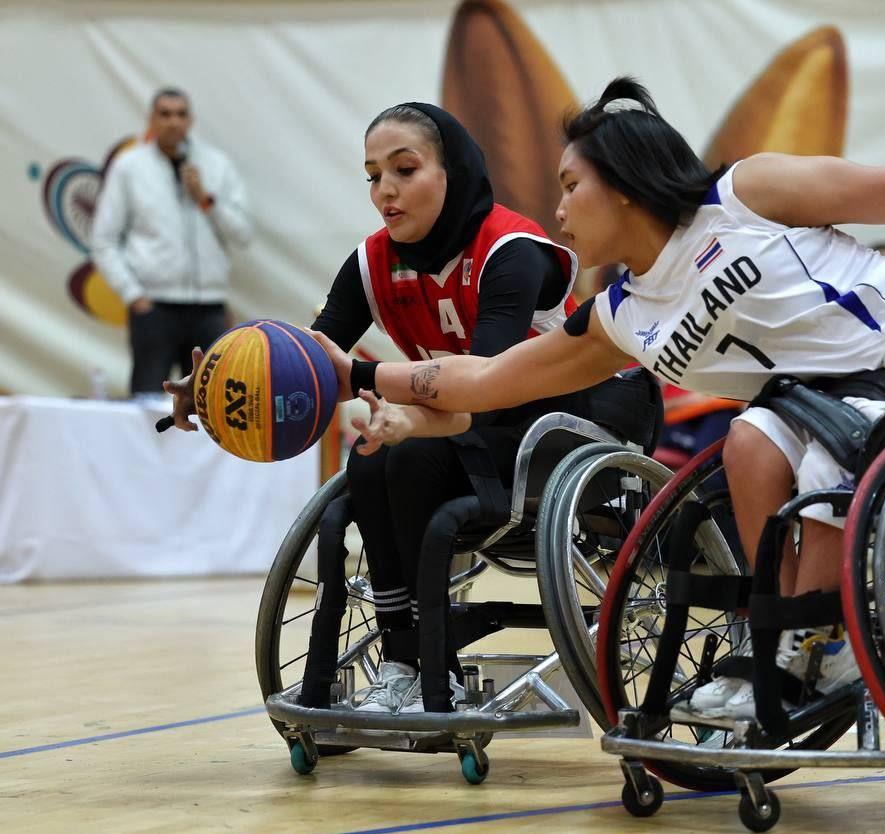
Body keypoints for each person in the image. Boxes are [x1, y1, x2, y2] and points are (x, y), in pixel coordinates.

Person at [306, 77, 885, 721]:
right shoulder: (622, 314)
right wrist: (359, 377)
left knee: (823, 450)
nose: (557, 209)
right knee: (749, 440)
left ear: (624, 185)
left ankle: (821, 639)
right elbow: (486, 380)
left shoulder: (744, 194)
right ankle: (784, 635)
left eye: (570, 186)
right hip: (821, 398)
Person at [164, 102, 613, 714]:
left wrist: (410, 419)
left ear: (452, 171)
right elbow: (313, 362)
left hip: (551, 429)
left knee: (407, 457)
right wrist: (218, 386)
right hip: (457, 429)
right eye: (373, 176)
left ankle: (431, 666)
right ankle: (402, 661)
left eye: (405, 169)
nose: (385, 191)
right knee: (373, 457)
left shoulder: (512, 250)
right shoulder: (372, 262)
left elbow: (490, 386)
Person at [91, 88, 251, 395]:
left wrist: (205, 199)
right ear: (151, 119)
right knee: (148, 401)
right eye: (165, 114)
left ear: (190, 120)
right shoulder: (130, 167)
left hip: (208, 308)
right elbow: (103, 240)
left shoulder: (216, 165)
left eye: (180, 114)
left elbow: (243, 234)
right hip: (155, 308)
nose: (173, 122)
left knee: (213, 401)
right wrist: (133, 295)